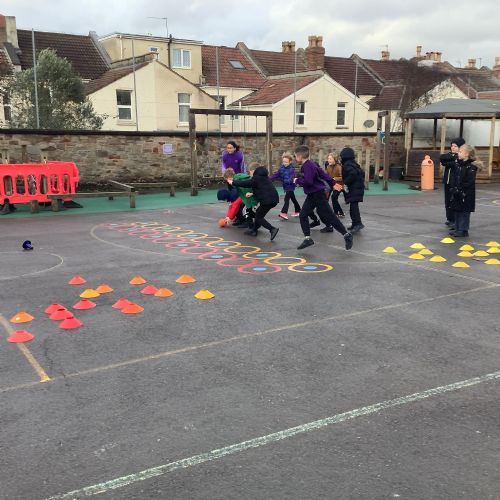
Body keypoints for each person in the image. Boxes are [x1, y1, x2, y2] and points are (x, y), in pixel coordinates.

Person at [294, 145, 353, 251]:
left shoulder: (307, 166)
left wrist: (297, 181)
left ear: (299, 156)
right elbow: (322, 174)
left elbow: (309, 181)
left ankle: (346, 235)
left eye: (295, 156)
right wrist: (333, 183)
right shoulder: (312, 164)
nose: (295, 158)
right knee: (303, 214)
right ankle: (307, 239)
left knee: (330, 216)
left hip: (318, 194)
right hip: (313, 194)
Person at [228, 166, 280, 240]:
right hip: (273, 199)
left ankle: (272, 229)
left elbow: (246, 183)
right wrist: (252, 194)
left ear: (254, 171)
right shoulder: (265, 178)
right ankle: (254, 230)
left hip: (267, 200)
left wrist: (233, 182)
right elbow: (262, 189)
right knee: (258, 214)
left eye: (250, 171)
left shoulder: (256, 178)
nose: (250, 173)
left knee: (258, 217)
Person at [448, 144, 480, 237]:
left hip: (466, 193)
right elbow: (455, 177)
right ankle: (457, 228)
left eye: (460, 152)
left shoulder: (471, 166)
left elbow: (470, 181)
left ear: (467, 154)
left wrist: (460, 189)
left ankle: (463, 230)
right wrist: (454, 188)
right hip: (457, 192)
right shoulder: (458, 164)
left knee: (464, 212)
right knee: (457, 210)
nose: (458, 153)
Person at [440, 137, 465, 228]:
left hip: (455, 183)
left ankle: (455, 220)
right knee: (447, 201)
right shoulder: (450, 155)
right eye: (452, 146)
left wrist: (451, 161)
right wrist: (452, 159)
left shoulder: (461, 156)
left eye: (455, 146)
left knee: (454, 201)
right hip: (447, 182)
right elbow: (442, 158)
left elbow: (453, 163)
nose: (453, 148)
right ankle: (449, 218)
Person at [340, 147, 365, 233]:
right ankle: (355, 223)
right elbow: (361, 173)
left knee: (354, 208)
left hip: (354, 189)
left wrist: (346, 182)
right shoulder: (354, 164)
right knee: (353, 207)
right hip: (357, 188)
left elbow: (352, 174)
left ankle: (358, 223)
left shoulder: (347, 164)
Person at [270, 152, 301, 220]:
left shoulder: (292, 169)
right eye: (284, 162)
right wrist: (269, 180)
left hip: (290, 186)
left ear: (290, 162)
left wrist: (290, 180)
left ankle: (284, 213)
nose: (285, 163)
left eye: (286, 162)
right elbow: (276, 175)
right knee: (293, 199)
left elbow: (291, 178)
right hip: (286, 186)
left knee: (286, 199)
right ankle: (298, 210)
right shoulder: (281, 168)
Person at [324, 152, 345, 217]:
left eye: (330, 159)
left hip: (339, 185)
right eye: (328, 159)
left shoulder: (339, 167)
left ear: (335, 159)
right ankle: (340, 212)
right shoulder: (328, 167)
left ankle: (336, 213)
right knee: (325, 197)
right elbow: (326, 176)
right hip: (331, 184)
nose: (328, 160)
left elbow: (342, 177)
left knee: (334, 197)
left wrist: (334, 178)